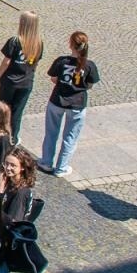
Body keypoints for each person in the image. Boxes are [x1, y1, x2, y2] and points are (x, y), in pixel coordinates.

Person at [39, 31, 100, 178]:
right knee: (71, 137)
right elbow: (90, 85)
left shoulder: (61, 61)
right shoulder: (89, 65)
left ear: (71, 44)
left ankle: (46, 162)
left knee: (51, 133)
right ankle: (62, 166)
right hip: (77, 104)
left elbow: (53, 78)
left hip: (57, 101)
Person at [0, 11, 43, 145]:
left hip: (10, 81)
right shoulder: (38, 43)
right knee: (17, 111)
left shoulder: (15, 41)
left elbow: (6, 62)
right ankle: (13, 136)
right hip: (26, 82)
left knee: (3, 108)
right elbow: (36, 63)